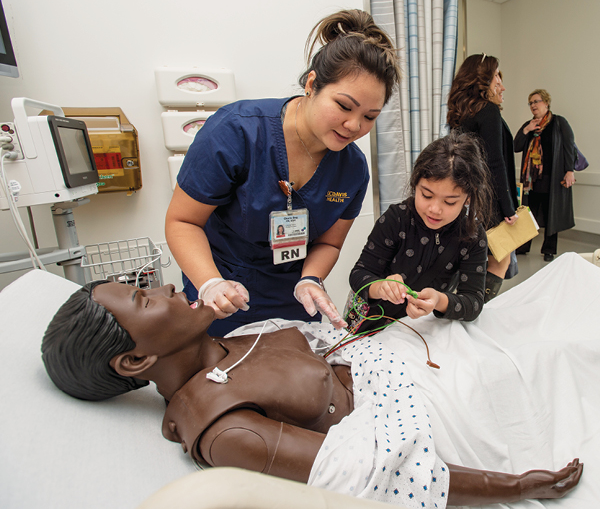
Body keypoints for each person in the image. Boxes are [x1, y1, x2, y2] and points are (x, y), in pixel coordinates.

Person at [41, 280, 583, 508]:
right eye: (143, 297)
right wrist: (517, 486)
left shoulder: (226, 342)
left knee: (533, 322)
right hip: (436, 403)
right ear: (135, 360)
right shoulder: (229, 430)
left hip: (399, 360)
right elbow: (388, 475)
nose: (165, 287)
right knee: (550, 353)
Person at [165, 9, 401, 336]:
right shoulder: (237, 132)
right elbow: (183, 222)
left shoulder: (353, 170)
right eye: (344, 106)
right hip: (224, 293)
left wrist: (310, 279)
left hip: (294, 299)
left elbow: (329, 245)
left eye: (370, 116)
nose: (354, 126)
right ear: (312, 83)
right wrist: (210, 284)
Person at [348, 132, 492, 328]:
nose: (435, 209)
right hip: (369, 324)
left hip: (419, 330)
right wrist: (381, 287)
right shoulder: (396, 219)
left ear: (468, 198)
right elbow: (359, 274)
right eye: (426, 195)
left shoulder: (472, 235)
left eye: (449, 202)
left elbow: (474, 302)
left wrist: (439, 300)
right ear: (415, 184)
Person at [447, 53, 519, 302]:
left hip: (468, 198)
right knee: (500, 257)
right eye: (496, 75)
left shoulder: (461, 115)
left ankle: (464, 306)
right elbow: (495, 162)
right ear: (482, 79)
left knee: (475, 259)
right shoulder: (488, 111)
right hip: (489, 201)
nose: (500, 82)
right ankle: (474, 309)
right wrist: (509, 208)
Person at [514, 89, 575, 261]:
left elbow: (569, 146)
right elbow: (516, 146)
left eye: (536, 101)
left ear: (546, 103)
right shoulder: (530, 125)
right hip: (531, 181)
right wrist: (527, 129)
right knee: (528, 214)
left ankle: (548, 250)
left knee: (550, 215)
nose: (533, 105)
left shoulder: (558, 123)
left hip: (553, 178)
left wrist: (569, 170)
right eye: (531, 103)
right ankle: (524, 246)